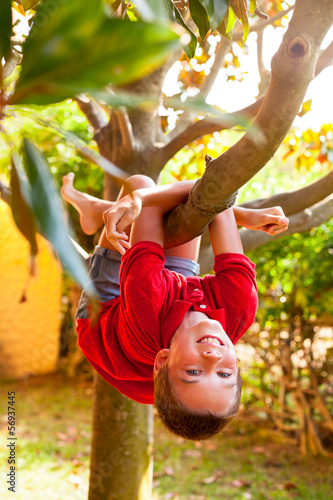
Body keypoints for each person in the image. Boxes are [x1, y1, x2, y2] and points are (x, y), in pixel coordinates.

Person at [61, 173, 289, 440]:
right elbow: (215, 195)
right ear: (237, 365)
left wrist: (241, 215)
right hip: (171, 308)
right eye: (224, 373)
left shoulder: (146, 300)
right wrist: (231, 211)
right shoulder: (239, 307)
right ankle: (95, 210)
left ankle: (98, 211)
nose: (213, 358)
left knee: (144, 187)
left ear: (164, 360)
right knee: (187, 217)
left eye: (194, 372)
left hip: (106, 324)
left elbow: (142, 191)